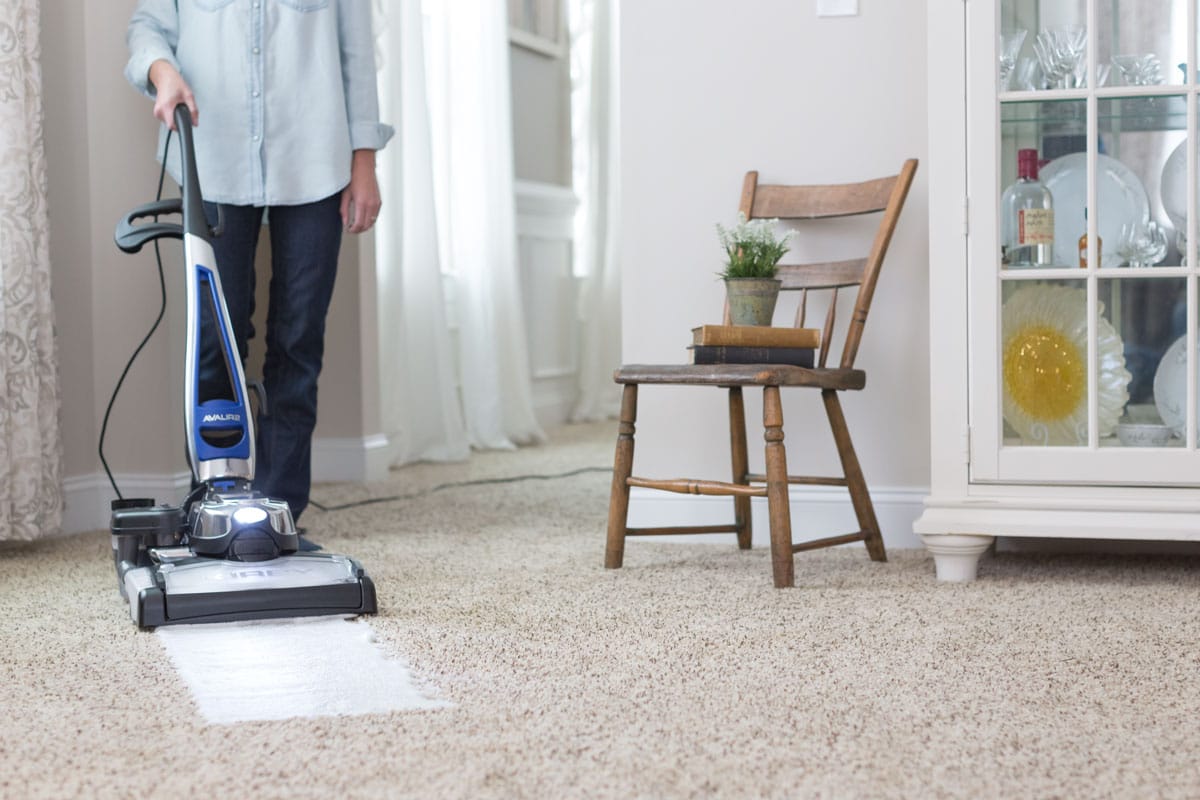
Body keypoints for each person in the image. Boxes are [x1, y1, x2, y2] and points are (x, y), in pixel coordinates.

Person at [125, 0, 393, 521]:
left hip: (315, 156)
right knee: (217, 342)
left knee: (298, 340)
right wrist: (164, 73)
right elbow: (148, 27)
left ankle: (280, 512)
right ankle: (217, 506)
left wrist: (365, 161)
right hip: (213, 153)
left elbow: (356, 55)